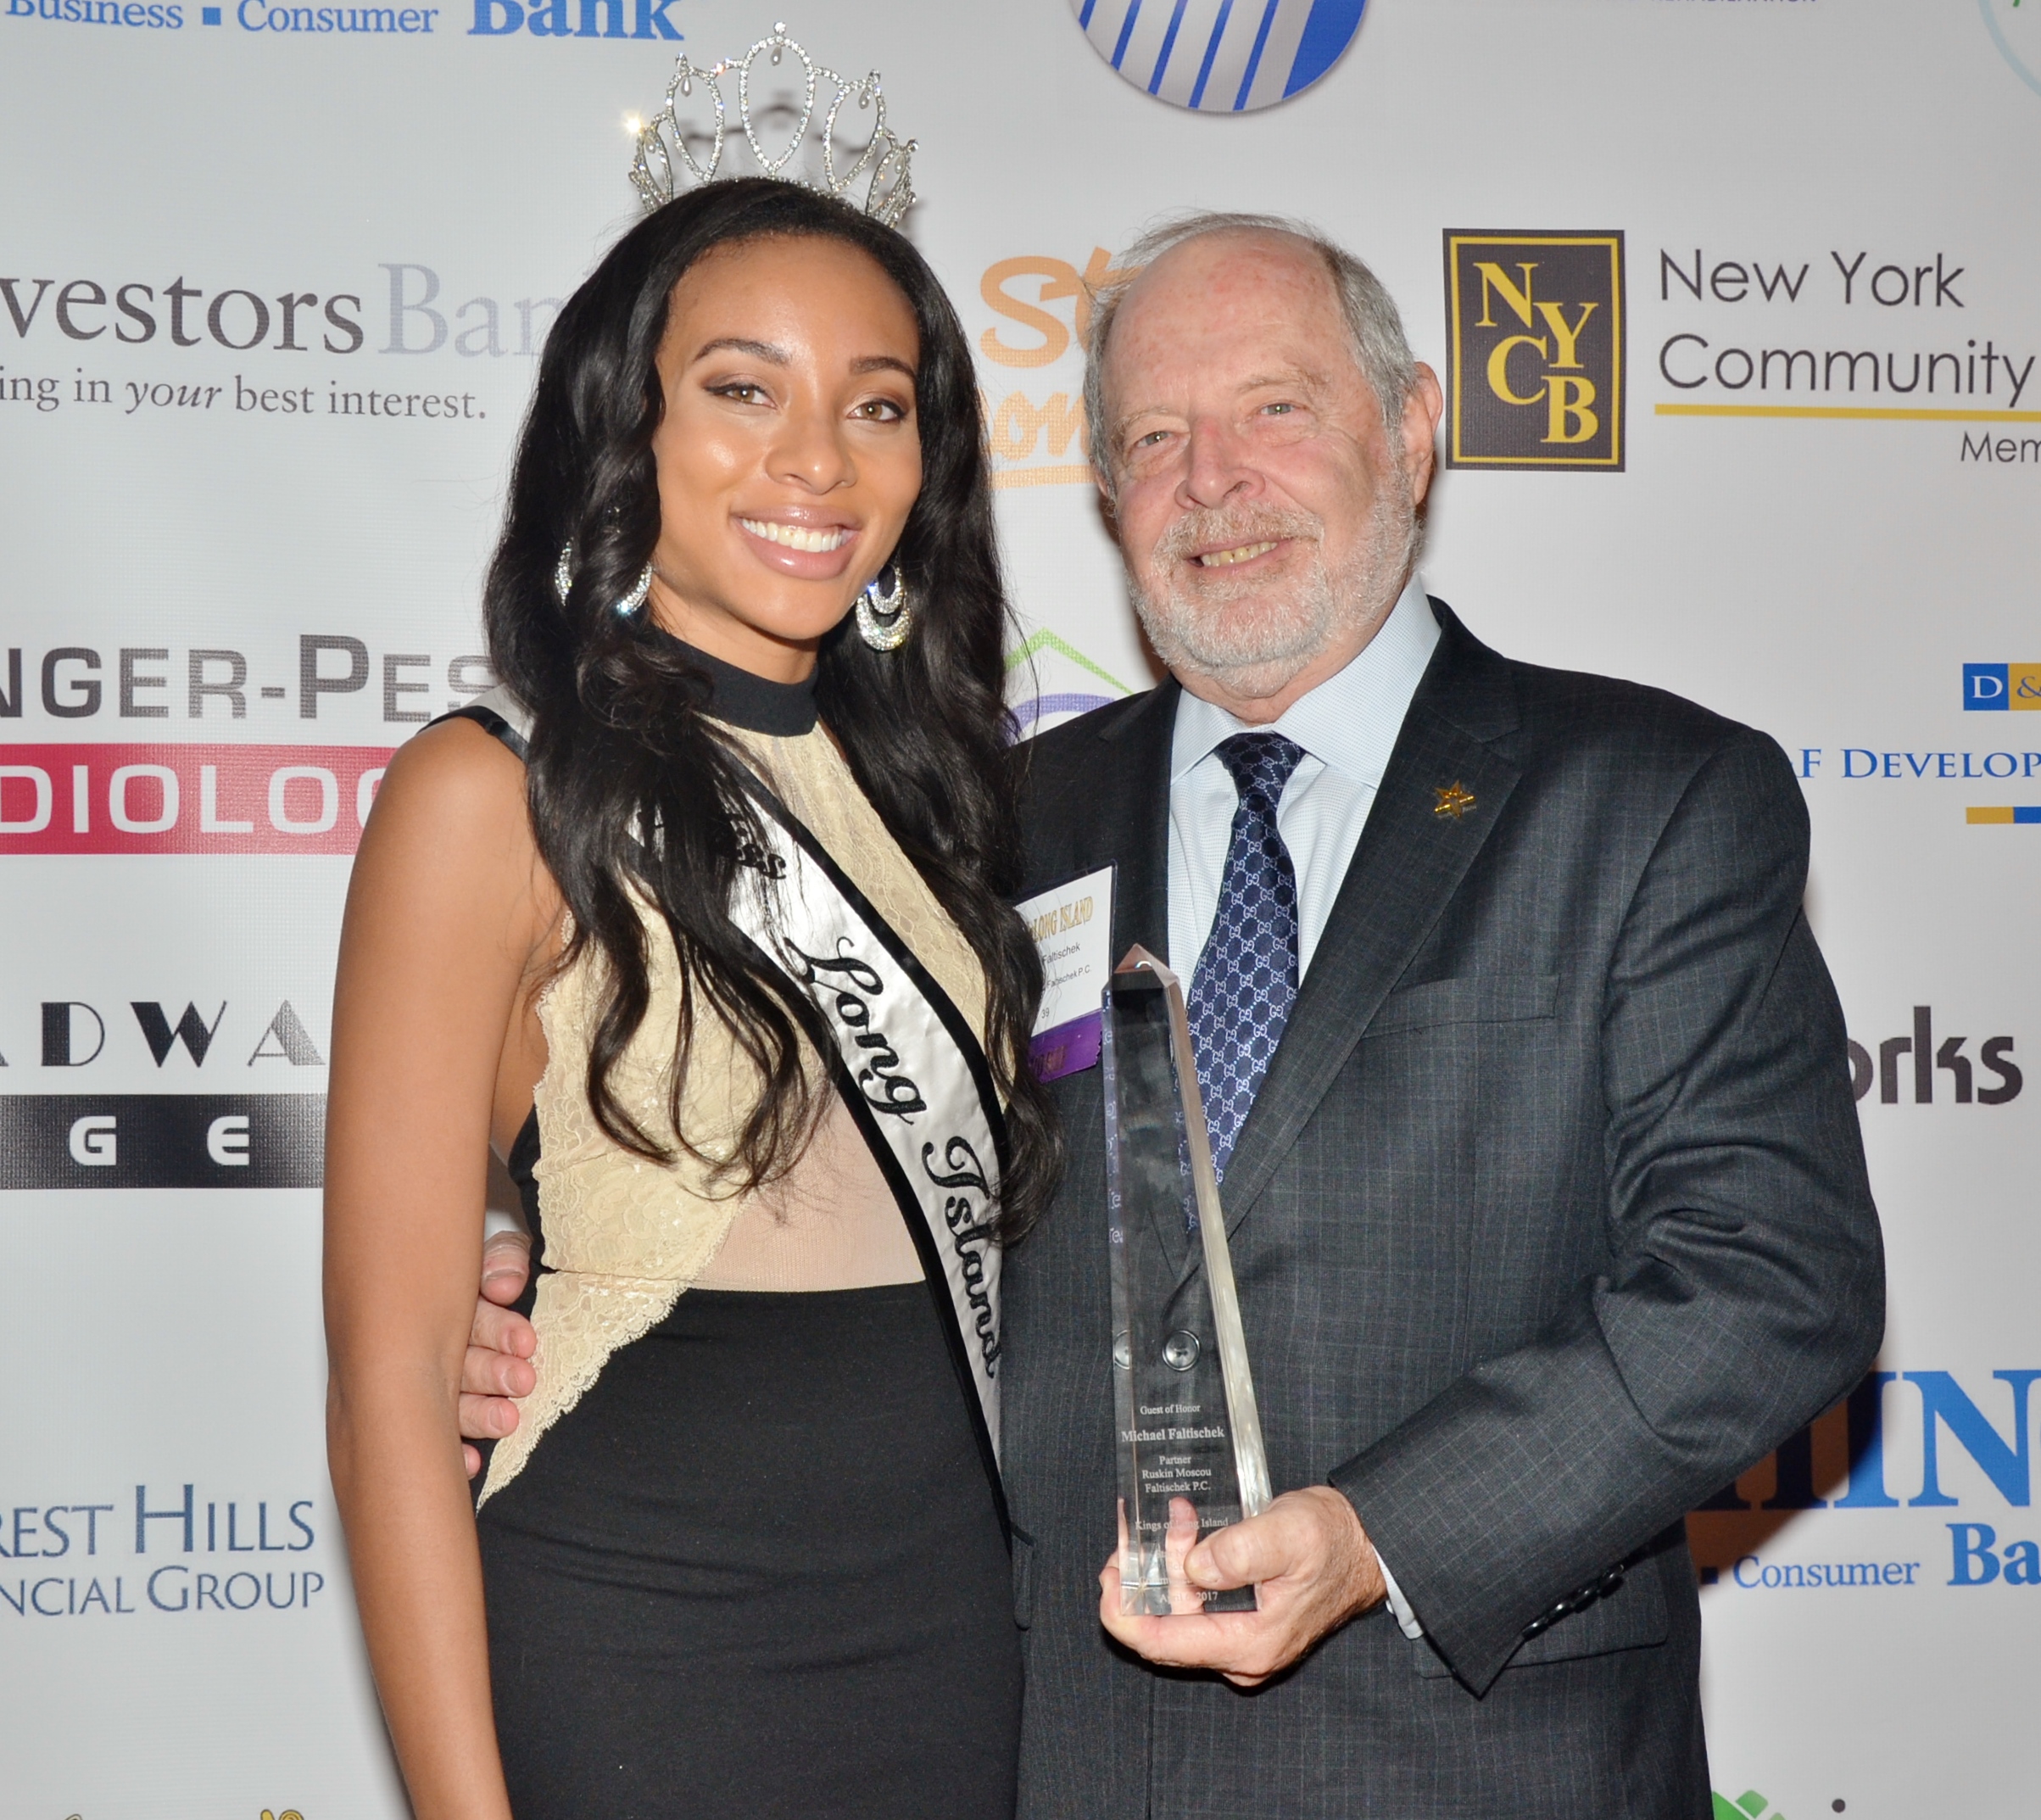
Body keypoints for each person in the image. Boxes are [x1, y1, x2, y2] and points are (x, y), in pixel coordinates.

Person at [460, 211, 1885, 1817]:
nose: (1213, 480)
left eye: (1276, 408)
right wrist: (522, 1267)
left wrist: (1382, 1534)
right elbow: (804, 1167)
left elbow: (1776, 1281)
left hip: (1483, 1762)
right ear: (1105, 491)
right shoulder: (984, 824)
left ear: (1411, 431)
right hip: (1060, 1751)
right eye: (1153, 437)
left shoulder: (1651, 797)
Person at [323, 176, 1058, 1820]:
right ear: (625, 427)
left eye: (877, 404)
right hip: (635, 1633)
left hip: (954, 1639)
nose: (819, 460)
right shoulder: (493, 793)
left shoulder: (949, 799)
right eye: (743, 388)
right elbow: (391, 1381)